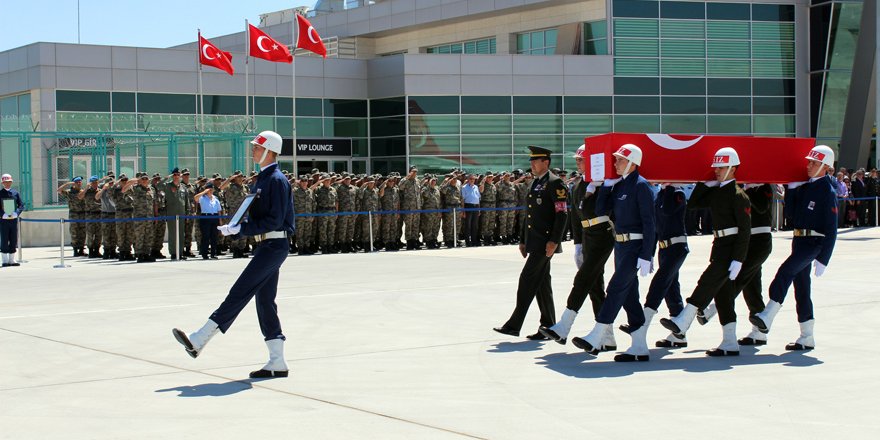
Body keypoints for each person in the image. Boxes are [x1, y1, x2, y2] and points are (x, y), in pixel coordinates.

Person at [173, 130, 296, 378]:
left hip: (274, 245)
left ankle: (200, 338)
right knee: (264, 302)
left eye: (257, 148)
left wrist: (242, 228)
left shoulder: (276, 180)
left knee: (240, 291)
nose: (253, 151)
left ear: (270, 150)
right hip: (266, 245)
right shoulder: (262, 179)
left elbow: (275, 220)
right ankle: (277, 361)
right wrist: (237, 228)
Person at [660, 147, 751, 356]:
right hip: (719, 245)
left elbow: (745, 231)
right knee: (724, 296)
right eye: (716, 167)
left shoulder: (739, 195)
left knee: (706, 282)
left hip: (730, 250)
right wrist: (704, 184)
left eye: (721, 167)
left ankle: (684, 321)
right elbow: (695, 204)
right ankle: (730, 342)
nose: (717, 171)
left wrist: (739, 259)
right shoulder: (717, 192)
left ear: (733, 168)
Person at [571, 144, 656, 362]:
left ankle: (597, 334)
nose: (616, 163)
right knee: (629, 296)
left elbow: (650, 223)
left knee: (615, 288)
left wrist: (648, 254)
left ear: (632, 163)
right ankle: (639, 346)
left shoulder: (641, 186)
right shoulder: (619, 186)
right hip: (621, 246)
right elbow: (601, 210)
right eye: (616, 159)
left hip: (635, 247)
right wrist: (606, 186)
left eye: (620, 160)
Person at [750, 145, 838, 351]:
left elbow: (832, 228)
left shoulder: (827, 190)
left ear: (826, 166)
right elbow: (792, 216)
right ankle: (807, 336)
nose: (809, 166)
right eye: (809, 162)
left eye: (814, 163)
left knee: (785, 271)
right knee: (802, 287)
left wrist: (824, 258)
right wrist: (791, 190)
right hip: (799, 241)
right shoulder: (806, 187)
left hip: (814, 243)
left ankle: (768, 314)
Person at [539, 145, 615, 350]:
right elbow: (575, 216)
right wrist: (578, 244)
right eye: (578, 160)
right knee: (595, 286)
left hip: (603, 234)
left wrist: (599, 187)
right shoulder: (579, 184)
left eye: (581, 160)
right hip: (588, 236)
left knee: (583, 279)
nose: (577, 164)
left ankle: (564, 326)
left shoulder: (604, 184)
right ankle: (607, 337)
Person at [493, 145, 568, 340]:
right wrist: (523, 240)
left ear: (546, 162)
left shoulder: (555, 183)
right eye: (531, 161)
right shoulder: (535, 183)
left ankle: (514, 324)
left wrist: (554, 241)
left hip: (546, 243)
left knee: (527, 280)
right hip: (534, 241)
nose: (532, 164)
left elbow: (562, 215)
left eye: (536, 161)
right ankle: (549, 325)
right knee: (542, 284)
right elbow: (529, 215)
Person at [638, 183, 689, 348]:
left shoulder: (677, 193)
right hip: (664, 248)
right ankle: (679, 334)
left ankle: (641, 324)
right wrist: (650, 254)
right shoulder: (660, 194)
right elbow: (655, 225)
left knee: (659, 284)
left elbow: (667, 210)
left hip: (677, 246)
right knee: (671, 289)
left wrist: (670, 187)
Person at [58, 177, 87, 256]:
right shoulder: (69, 192)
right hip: (73, 214)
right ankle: (75, 250)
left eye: (80, 182)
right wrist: (67, 184)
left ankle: (81, 250)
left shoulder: (82, 191)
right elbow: (59, 190)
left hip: (82, 214)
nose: (79, 184)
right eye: (77, 182)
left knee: (82, 232)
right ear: (74, 183)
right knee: (74, 232)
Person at [0, 174, 25, 267]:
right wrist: (3, 214)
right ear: (3, 183)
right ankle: (5, 260)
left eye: (9, 182)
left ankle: (12, 260)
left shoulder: (15, 193)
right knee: (4, 239)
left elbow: (21, 205)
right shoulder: (0, 193)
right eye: (6, 182)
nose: (8, 184)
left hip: (13, 220)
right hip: (4, 220)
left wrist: (16, 213)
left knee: (13, 238)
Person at [194, 182, 222, 259]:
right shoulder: (202, 198)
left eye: (212, 189)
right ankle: (204, 254)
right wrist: (204, 192)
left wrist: (220, 221)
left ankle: (213, 253)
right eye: (209, 189)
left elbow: (219, 210)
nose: (211, 190)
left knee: (214, 236)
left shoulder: (215, 198)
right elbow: (195, 198)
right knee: (205, 236)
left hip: (214, 217)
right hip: (205, 217)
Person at [461, 174, 481, 247]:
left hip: (475, 207)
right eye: (471, 179)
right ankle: (467, 241)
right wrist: (463, 211)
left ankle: (474, 240)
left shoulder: (476, 187)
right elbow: (462, 200)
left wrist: (479, 209)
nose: (472, 180)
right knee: (468, 225)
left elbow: (478, 199)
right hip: (468, 206)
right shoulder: (464, 187)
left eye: (473, 179)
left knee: (475, 225)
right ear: (468, 179)